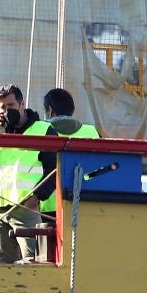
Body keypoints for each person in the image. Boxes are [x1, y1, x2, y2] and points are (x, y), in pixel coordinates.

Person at [0, 84, 57, 264]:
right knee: (3, 264)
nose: (6, 111)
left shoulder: (43, 130)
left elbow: (54, 169)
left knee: (33, 262)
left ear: (22, 104)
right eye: (1, 108)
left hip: (26, 207)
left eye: (10, 106)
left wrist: (36, 198)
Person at [40, 87, 100, 222]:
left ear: (49, 111)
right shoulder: (92, 131)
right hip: (86, 202)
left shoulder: (40, 130)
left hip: (47, 205)